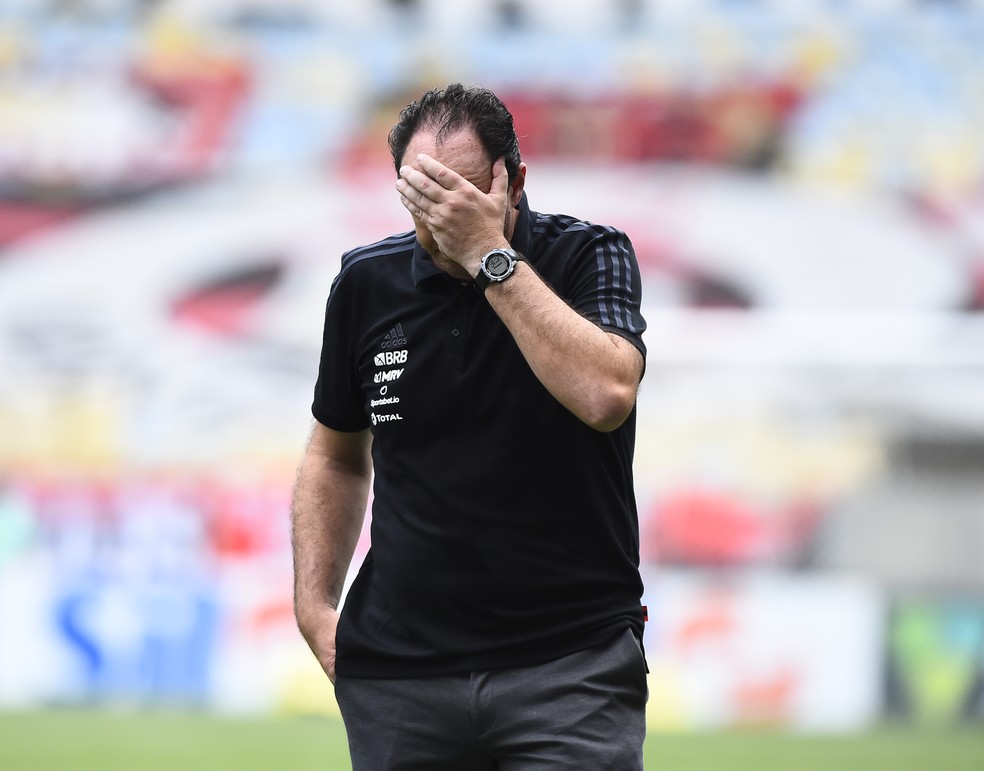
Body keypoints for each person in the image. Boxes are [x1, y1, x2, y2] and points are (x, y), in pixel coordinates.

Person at [291, 83, 649, 770]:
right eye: (422, 197)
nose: (442, 218)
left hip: (568, 669)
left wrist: (490, 256)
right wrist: (314, 606)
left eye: (458, 193)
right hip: (400, 678)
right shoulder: (366, 283)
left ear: (512, 179)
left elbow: (607, 393)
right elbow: (335, 453)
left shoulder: (589, 255)